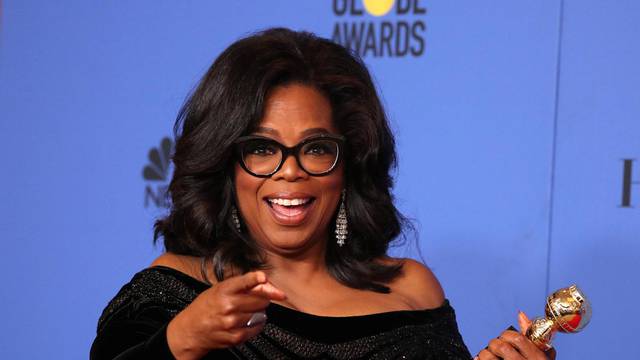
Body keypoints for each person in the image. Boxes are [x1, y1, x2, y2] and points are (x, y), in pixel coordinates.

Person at [90, 28, 554, 360]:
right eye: (262, 148)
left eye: (315, 148)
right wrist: (182, 340)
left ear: (350, 164)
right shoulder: (174, 292)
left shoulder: (412, 290)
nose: (290, 172)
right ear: (225, 166)